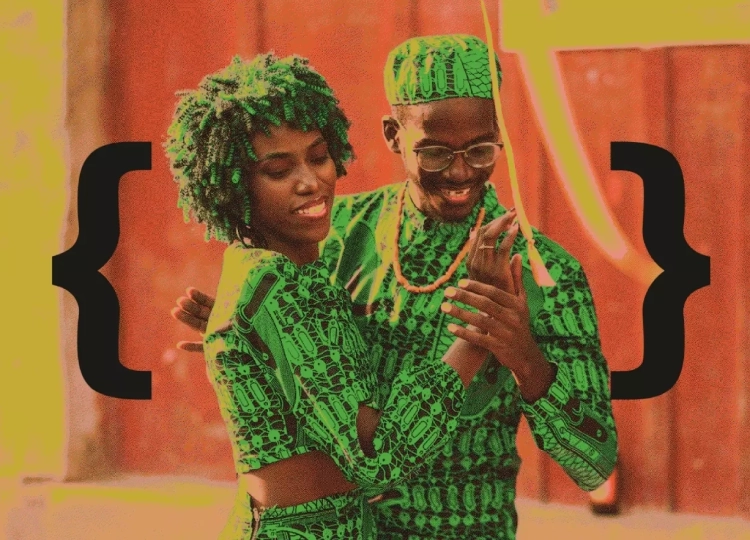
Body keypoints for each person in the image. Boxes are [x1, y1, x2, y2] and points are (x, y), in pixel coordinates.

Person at [173, 35, 618, 540]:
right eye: (434, 153)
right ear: (393, 135)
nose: (460, 172)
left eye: (480, 149)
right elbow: (318, 395)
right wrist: (261, 345)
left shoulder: (543, 273)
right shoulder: (332, 231)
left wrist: (526, 359)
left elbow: (595, 465)